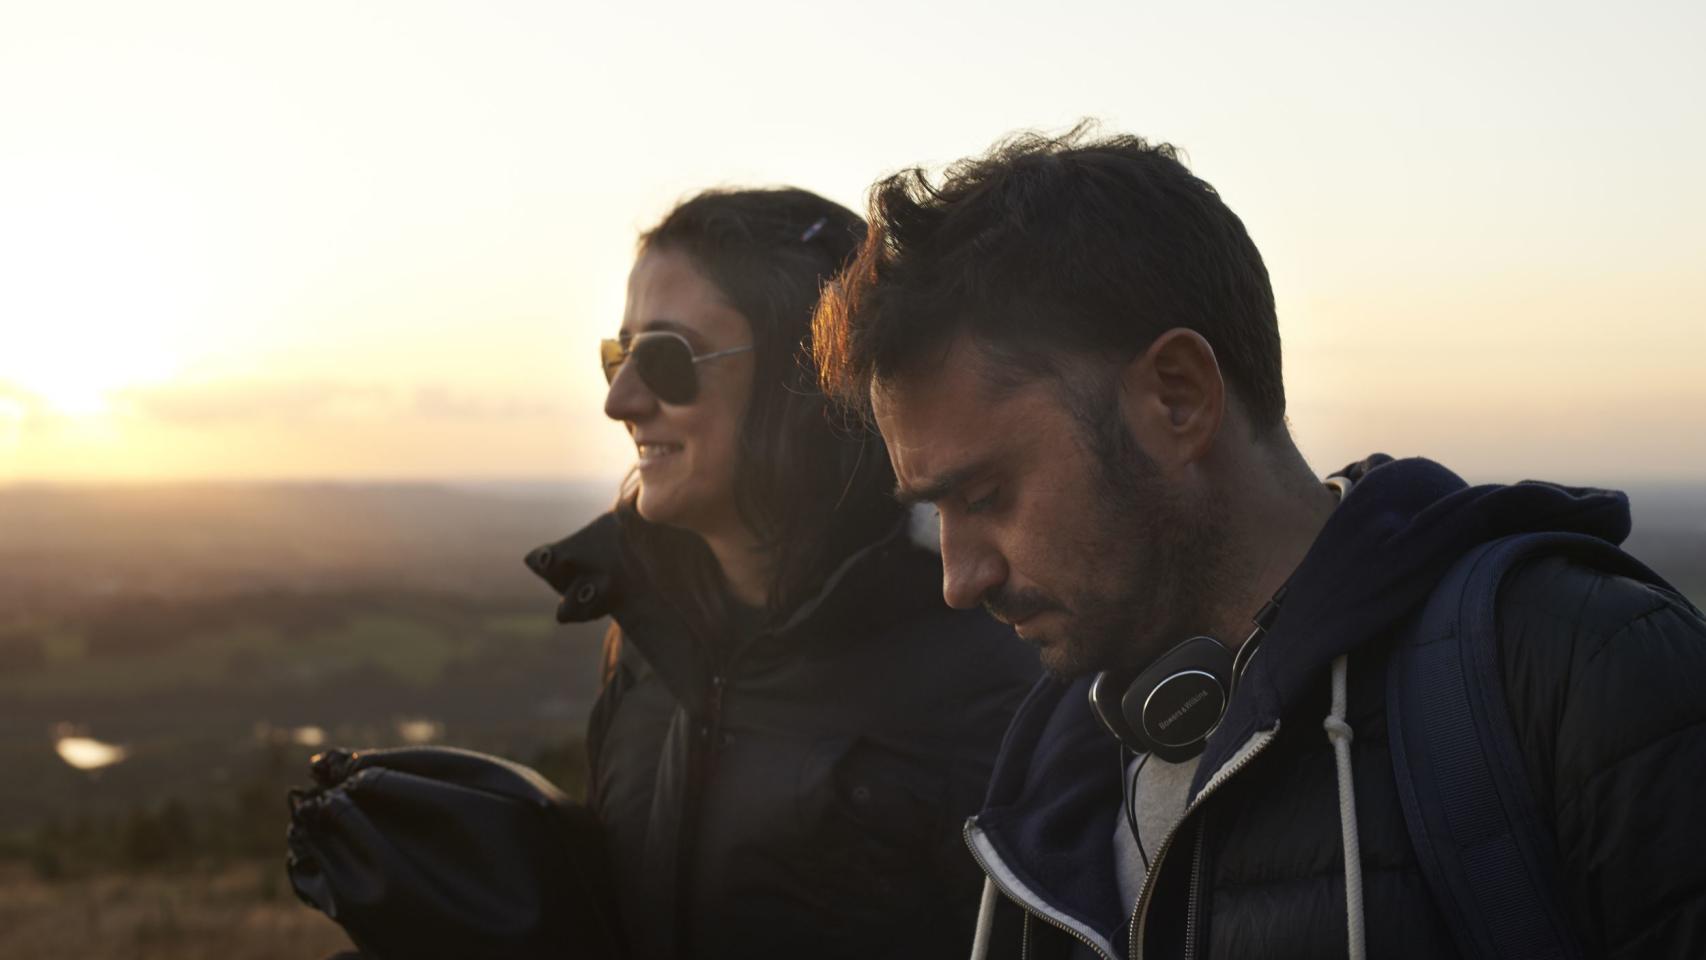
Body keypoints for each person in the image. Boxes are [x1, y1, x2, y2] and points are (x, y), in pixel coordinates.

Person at [812, 127, 1706, 959]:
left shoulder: (1580, 671)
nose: (960, 581)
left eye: (984, 494)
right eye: (937, 513)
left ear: (1178, 397)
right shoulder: (1053, 766)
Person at [527, 187, 1038, 959]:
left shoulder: (992, 677)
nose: (621, 400)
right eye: (619, 354)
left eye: (665, 358)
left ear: (808, 382)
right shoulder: (646, 647)